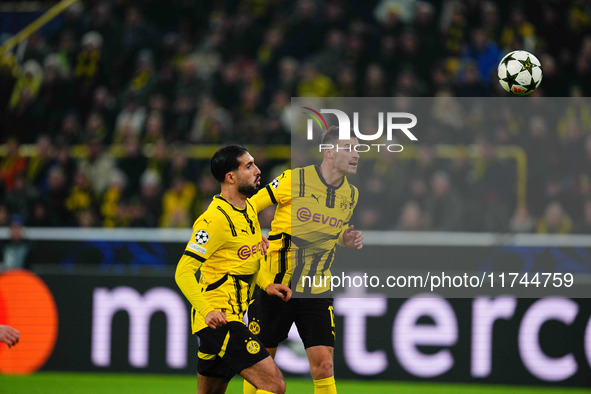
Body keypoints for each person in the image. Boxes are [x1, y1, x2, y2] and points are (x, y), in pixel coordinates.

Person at [244, 127, 364, 394]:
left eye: (358, 149)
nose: (356, 154)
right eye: (349, 148)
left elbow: (332, 231)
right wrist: (253, 237)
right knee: (261, 364)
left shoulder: (351, 195)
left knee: (324, 366)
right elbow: (250, 205)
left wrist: (345, 237)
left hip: (317, 288)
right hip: (276, 285)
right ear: (329, 152)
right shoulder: (293, 179)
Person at [175, 145, 291, 394]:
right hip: (219, 321)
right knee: (275, 385)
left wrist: (266, 284)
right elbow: (183, 271)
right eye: (249, 166)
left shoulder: (248, 210)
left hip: (235, 316)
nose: (258, 170)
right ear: (230, 177)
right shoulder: (213, 220)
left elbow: (244, 262)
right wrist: (206, 311)